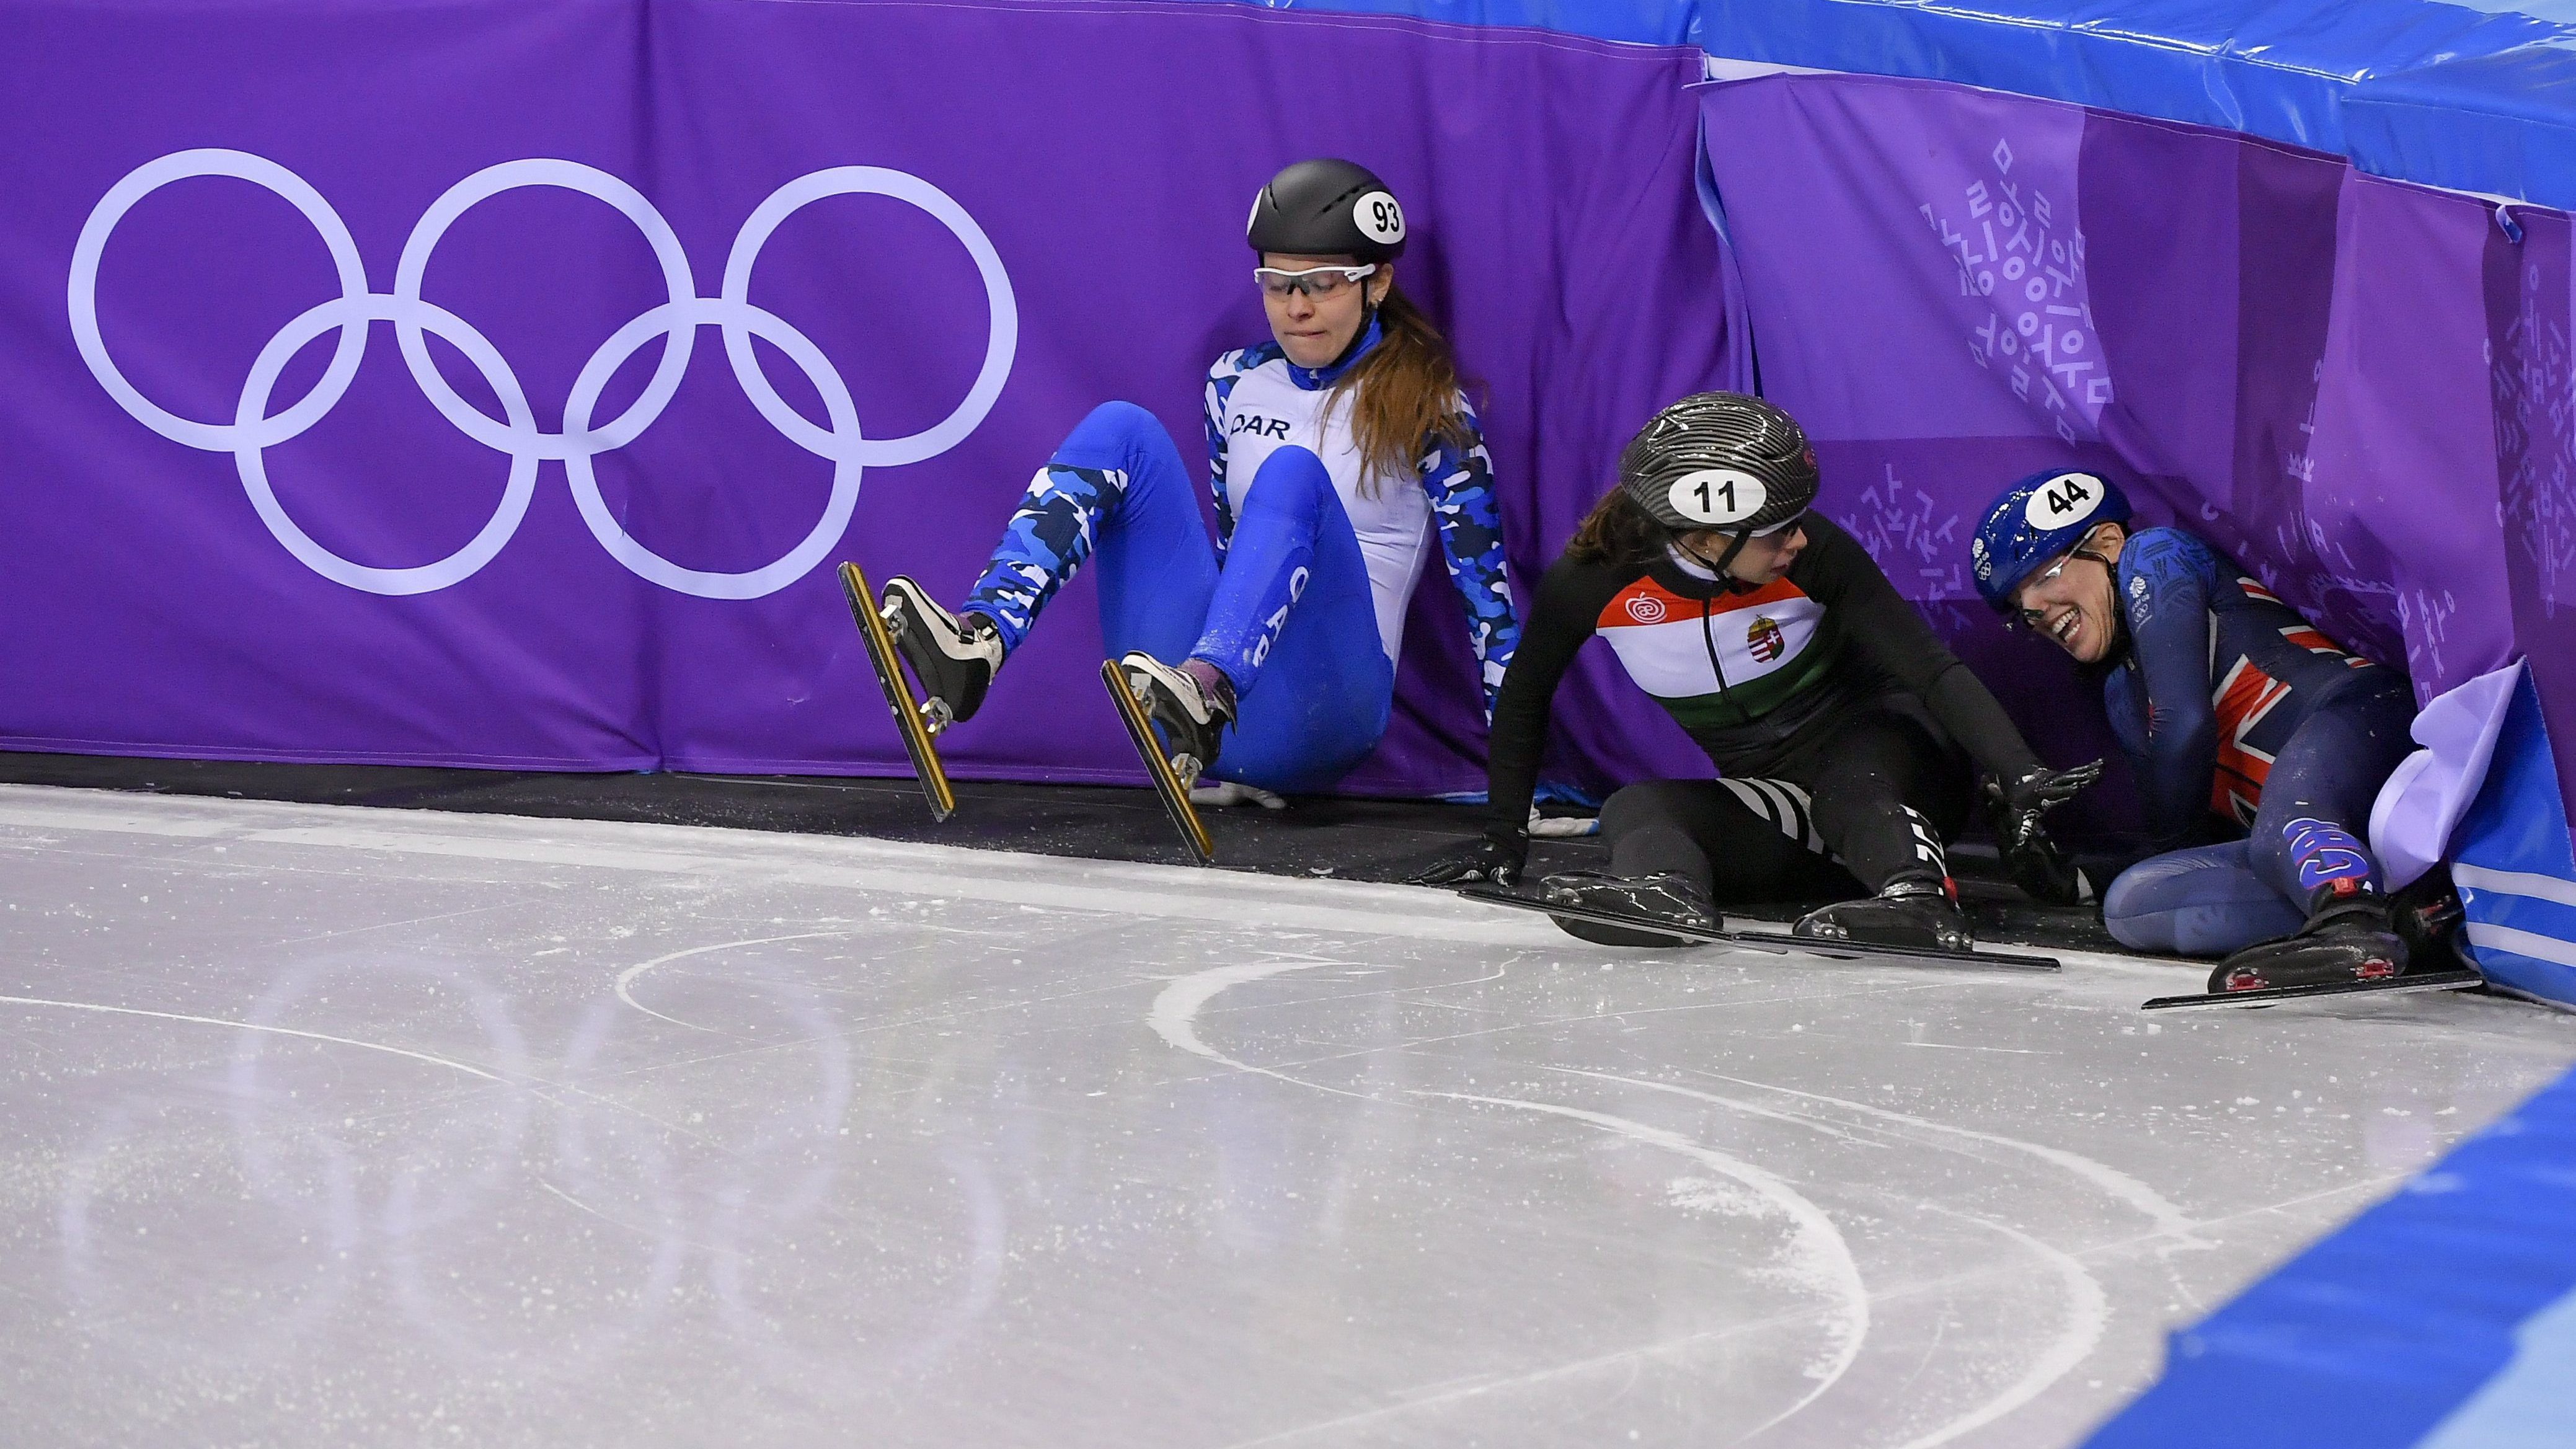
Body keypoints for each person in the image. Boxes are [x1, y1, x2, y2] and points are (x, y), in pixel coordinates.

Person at [872, 159, 1518, 800]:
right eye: (1277, 284)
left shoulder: (1431, 407)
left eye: (1321, 284)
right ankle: (980, 642)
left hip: (1329, 709)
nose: (1297, 308)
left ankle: (1210, 690)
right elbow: (1239, 554)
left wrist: (1517, 793)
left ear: (1376, 282)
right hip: (1203, 706)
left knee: (1291, 474)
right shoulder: (1233, 382)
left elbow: (1488, 609)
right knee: (1120, 428)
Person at [1416, 392, 2098, 952]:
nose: (1799, 539)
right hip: (1786, 802)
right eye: (1778, 529)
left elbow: (1931, 670)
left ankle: (1920, 898)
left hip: (1896, 765)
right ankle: (1669, 893)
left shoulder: (1817, 556)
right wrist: (1503, 839)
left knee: (1847, 783)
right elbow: (1526, 696)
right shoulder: (1594, 581)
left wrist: (2019, 771)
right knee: (1633, 806)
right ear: (1705, 536)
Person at [1968, 468, 2427, 992]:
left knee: (2281, 820)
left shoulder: (2153, 554)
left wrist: (2172, 838)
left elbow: (2184, 728)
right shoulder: (2121, 694)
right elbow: (2182, 844)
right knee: (2130, 902)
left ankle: (2351, 924)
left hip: (2371, 721)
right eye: (2018, 606)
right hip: (2304, 833)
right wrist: (2072, 880)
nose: (2032, 610)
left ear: (2109, 542)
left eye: (2043, 574)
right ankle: (2407, 913)